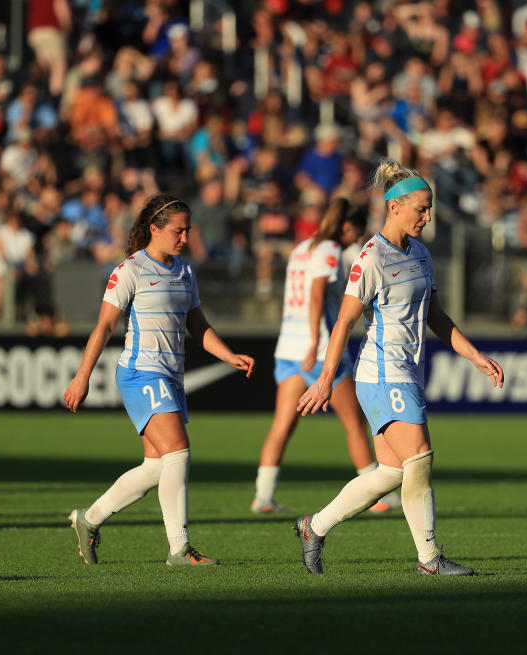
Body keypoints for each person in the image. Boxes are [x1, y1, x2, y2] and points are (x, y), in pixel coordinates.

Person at [295, 160, 504, 576]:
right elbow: (343, 322)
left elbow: (437, 318)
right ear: (394, 207)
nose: (427, 217)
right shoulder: (371, 258)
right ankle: (429, 559)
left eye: (429, 209)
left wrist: (475, 355)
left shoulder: (421, 253)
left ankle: (312, 527)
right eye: (420, 209)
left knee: (391, 472)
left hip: (407, 371)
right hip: (382, 372)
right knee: (421, 457)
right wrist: (324, 378)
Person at [63, 194, 255, 567]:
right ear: (154, 229)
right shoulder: (130, 270)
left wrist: (229, 355)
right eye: (177, 231)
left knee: (156, 466)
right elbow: (104, 325)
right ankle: (179, 549)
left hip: (170, 375)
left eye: (188, 230)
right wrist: (82, 376)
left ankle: (89, 519)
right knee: (178, 453)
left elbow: (197, 325)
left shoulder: (184, 271)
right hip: (141, 372)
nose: (184, 237)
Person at [252, 198, 401, 514]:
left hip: (288, 348)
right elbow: (316, 294)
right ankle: (377, 497)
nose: (357, 240)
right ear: (347, 227)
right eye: (357, 233)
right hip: (317, 349)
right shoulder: (330, 250)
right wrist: (315, 341)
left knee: (282, 425)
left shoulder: (302, 247)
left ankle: (263, 496)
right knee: (354, 423)